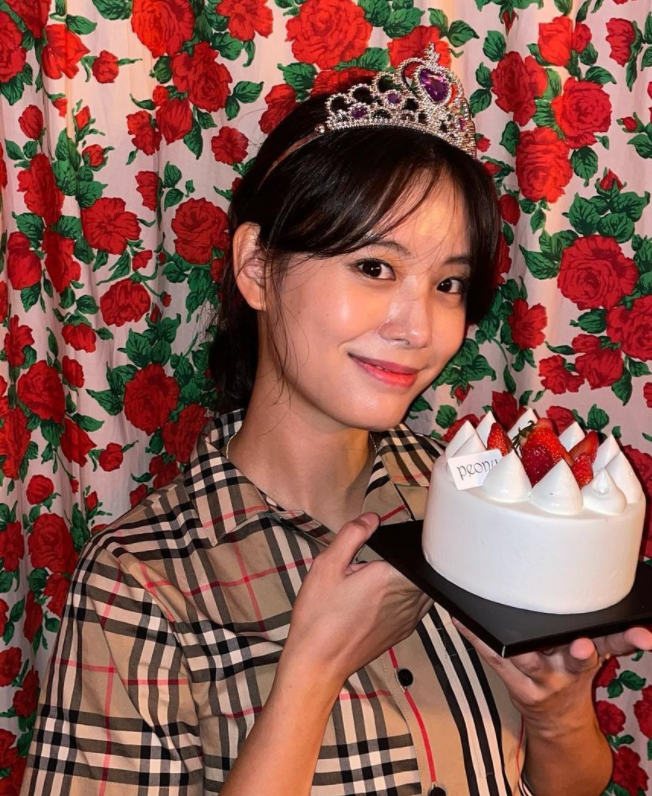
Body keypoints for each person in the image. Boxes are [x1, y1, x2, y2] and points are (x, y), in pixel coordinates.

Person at [21, 47, 652, 796]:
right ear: (257, 267)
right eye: (375, 268)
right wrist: (313, 671)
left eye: (449, 284)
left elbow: (570, 783)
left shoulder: (476, 501)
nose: (419, 329)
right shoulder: (140, 583)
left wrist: (556, 716)